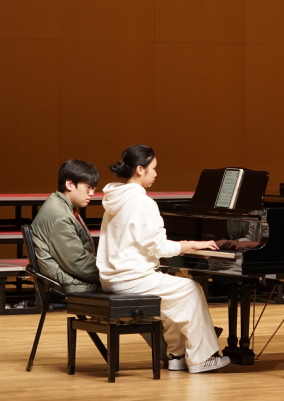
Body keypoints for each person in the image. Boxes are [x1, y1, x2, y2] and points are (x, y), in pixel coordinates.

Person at [96, 145, 230, 374]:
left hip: (112, 278)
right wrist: (191, 244)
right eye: (154, 168)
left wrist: (182, 245)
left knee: (172, 296)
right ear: (140, 169)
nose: (156, 173)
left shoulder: (116, 199)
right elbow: (159, 247)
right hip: (132, 279)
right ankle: (202, 359)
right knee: (191, 289)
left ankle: (176, 356)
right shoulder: (142, 202)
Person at [30, 159, 100, 294]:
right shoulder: (61, 217)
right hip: (65, 285)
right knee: (124, 286)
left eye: (93, 189)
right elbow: (78, 263)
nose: (92, 193)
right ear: (69, 184)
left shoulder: (59, 204)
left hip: (64, 278)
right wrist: (111, 274)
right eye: (88, 188)